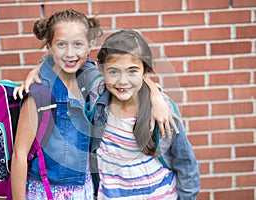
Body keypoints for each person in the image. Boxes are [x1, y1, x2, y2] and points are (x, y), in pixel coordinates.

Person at [11, 9, 181, 200]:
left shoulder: (91, 79)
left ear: (90, 44)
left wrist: (156, 96)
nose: (70, 53)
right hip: (49, 190)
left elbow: (129, 77)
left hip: (87, 188)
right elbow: (19, 155)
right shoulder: (39, 94)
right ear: (49, 46)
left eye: (77, 44)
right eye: (61, 45)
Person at [91, 30, 200, 199]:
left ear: (145, 71)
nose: (122, 80)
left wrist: (156, 96)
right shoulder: (96, 102)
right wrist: (38, 71)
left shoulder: (162, 111)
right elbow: (68, 64)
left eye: (132, 71)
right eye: (113, 71)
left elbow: (185, 162)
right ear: (101, 70)